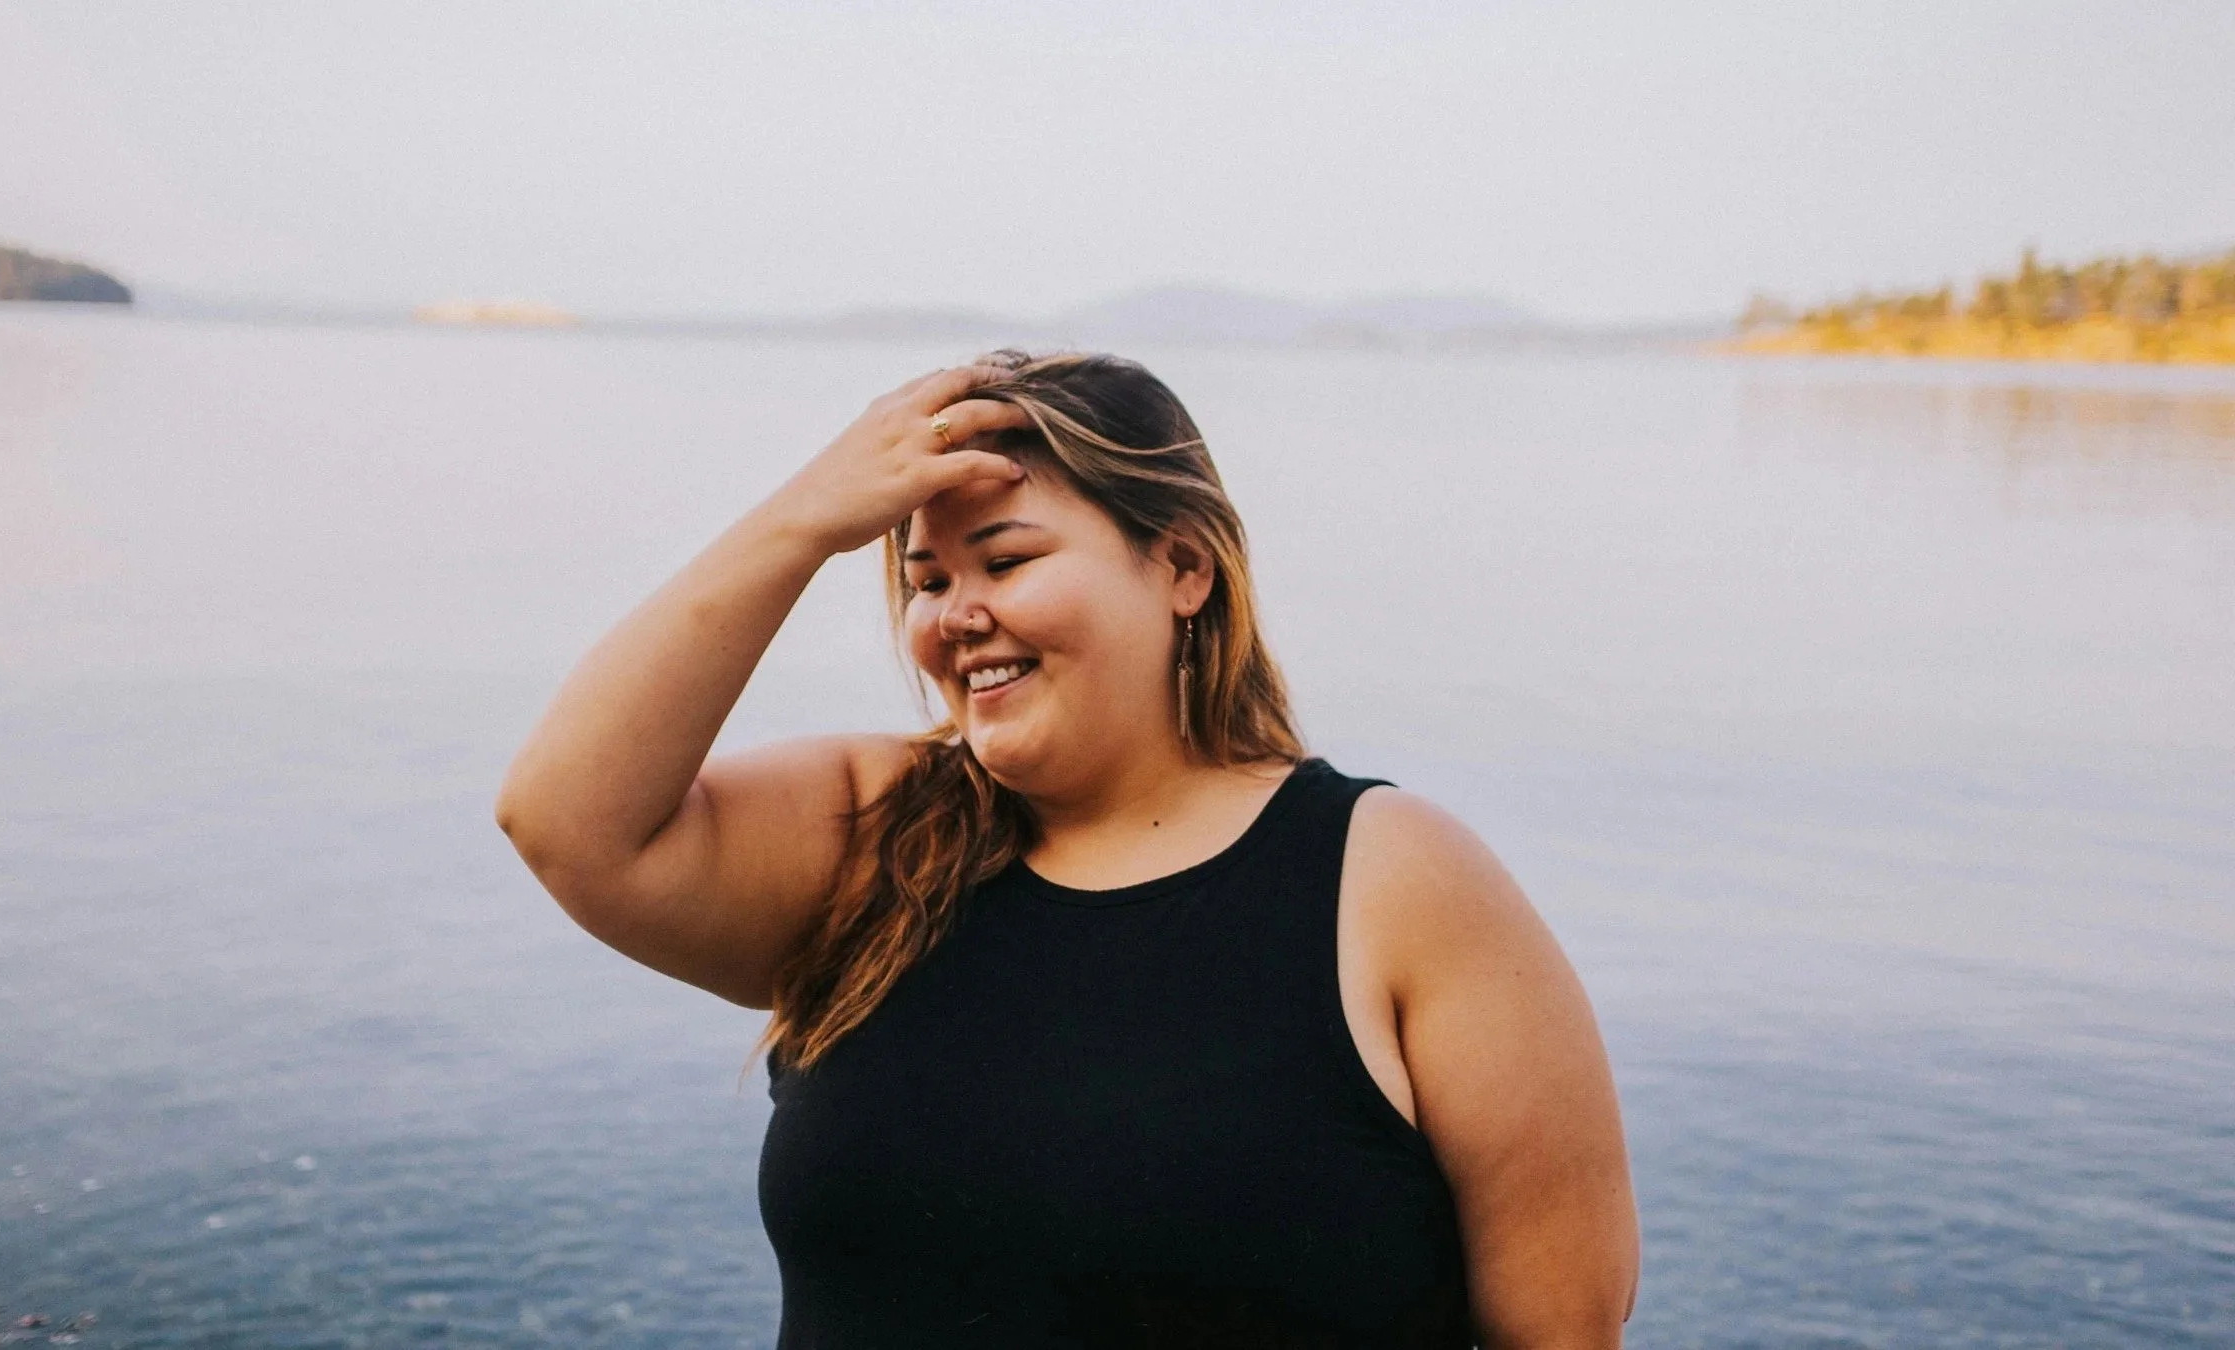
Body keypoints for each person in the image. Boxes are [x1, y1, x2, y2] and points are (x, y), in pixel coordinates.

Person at [494, 351, 1639, 1347]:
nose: (954, 615)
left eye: (1007, 560)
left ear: (1182, 568)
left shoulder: (1392, 881)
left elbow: (1561, 1331)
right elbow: (566, 822)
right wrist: (805, 519)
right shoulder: (876, 835)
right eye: (925, 579)